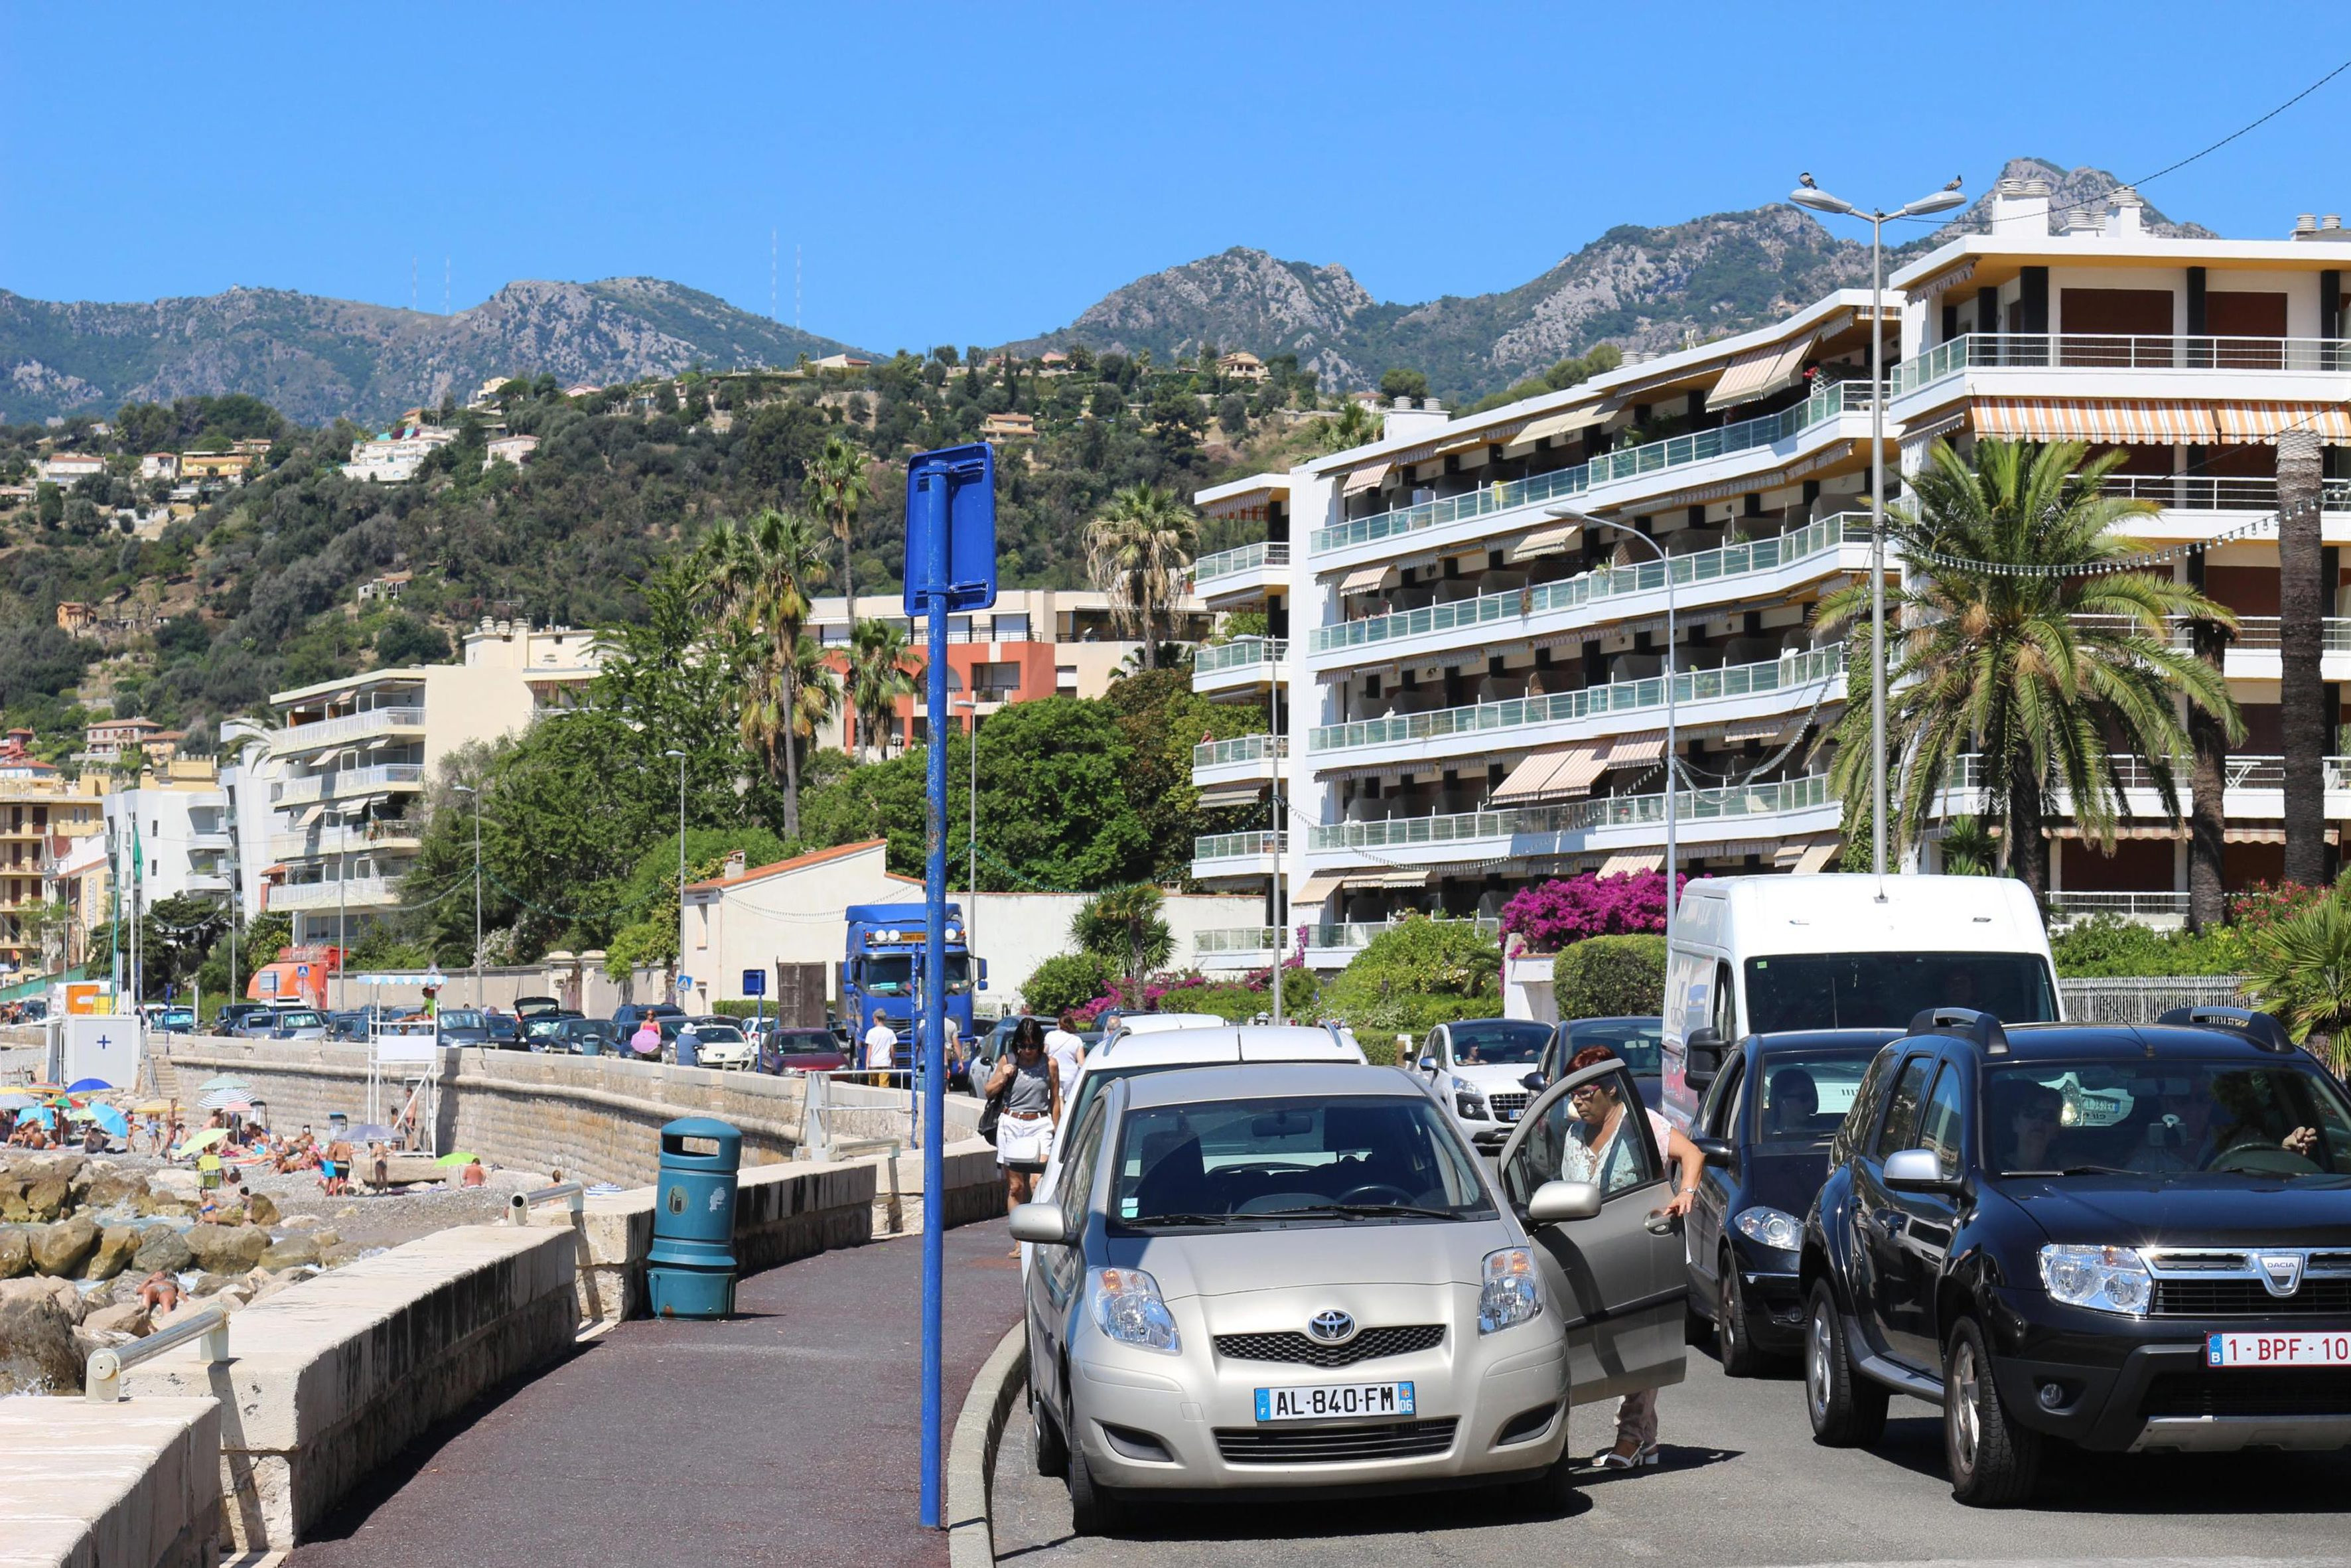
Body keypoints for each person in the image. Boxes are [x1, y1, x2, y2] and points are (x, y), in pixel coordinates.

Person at [1559, 1045, 1704, 1470]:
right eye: (1572, 1095)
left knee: (1636, 1341)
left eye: (1585, 1094)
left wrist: (1685, 1195)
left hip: (1635, 1244)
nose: (1578, 1103)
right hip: (1586, 1253)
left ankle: (1631, 1437)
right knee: (1590, 1344)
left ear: (1609, 1092)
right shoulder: (1574, 1133)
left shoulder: (1642, 1125)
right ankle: (1647, 1442)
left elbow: (1692, 1155)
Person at [986, 1025, 1062, 1254]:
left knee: (1037, 1183)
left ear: (1040, 1045)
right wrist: (1003, 1077)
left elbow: (1055, 1100)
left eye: (1033, 1046)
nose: (1028, 1051)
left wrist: (1059, 1131)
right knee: (1016, 1187)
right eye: (1023, 1046)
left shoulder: (1050, 1064)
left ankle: (1039, 1237)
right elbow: (989, 1091)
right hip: (1012, 1123)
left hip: (1039, 1123)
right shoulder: (1008, 1060)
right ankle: (1020, 1241)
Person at [1044, 1013, 1086, 1110]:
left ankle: (1057, 1122)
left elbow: (1044, 1054)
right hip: (1070, 1076)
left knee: (1055, 1100)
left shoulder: (1050, 1036)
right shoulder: (1077, 1040)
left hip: (1053, 1073)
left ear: (1059, 1024)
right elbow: (1081, 1062)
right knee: (1067, 1104)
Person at [863, 1016, 898, 1089]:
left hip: (874, 1063)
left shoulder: (871, 1032)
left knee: (873, 1087)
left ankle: (874, 1100)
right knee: (884, 1087)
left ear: (876, 1019)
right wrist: (894, 1062)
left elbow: (869, 1048)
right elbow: (892, 1050)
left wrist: (867, 1063)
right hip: (885, 1063)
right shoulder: (890, 1033)